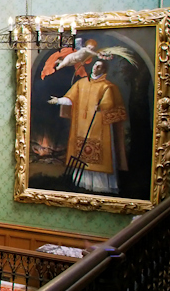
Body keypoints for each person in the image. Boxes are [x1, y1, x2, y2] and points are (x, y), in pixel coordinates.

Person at [48, 60, 128, 194]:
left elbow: (110, 105)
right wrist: (58, 101)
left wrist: (102, 106)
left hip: (99, 128)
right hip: (81, 127)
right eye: (95, 65)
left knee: (99, 155)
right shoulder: (81, 83)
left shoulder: (107, 87)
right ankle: (83, 183)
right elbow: (71, 98)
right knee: (81, 154)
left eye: (99, 66)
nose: (95, 68)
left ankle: (101, 187)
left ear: (104, 70)